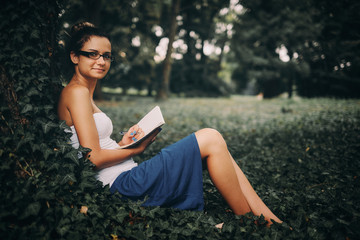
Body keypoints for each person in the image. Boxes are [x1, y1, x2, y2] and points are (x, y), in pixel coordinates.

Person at [57, 22, 282, 226]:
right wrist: (136, 149)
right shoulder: (76, 92)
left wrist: (122, 144)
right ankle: (249, 222)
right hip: (122, 186)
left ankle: (269, 219)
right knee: (211, 137)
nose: (101, 61)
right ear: (75, 57)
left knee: (218, 147)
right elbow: (92, 158)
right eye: (92, 55)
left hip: (127, 178)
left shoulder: (84, 93)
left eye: (106, 56)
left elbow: (94, 146)